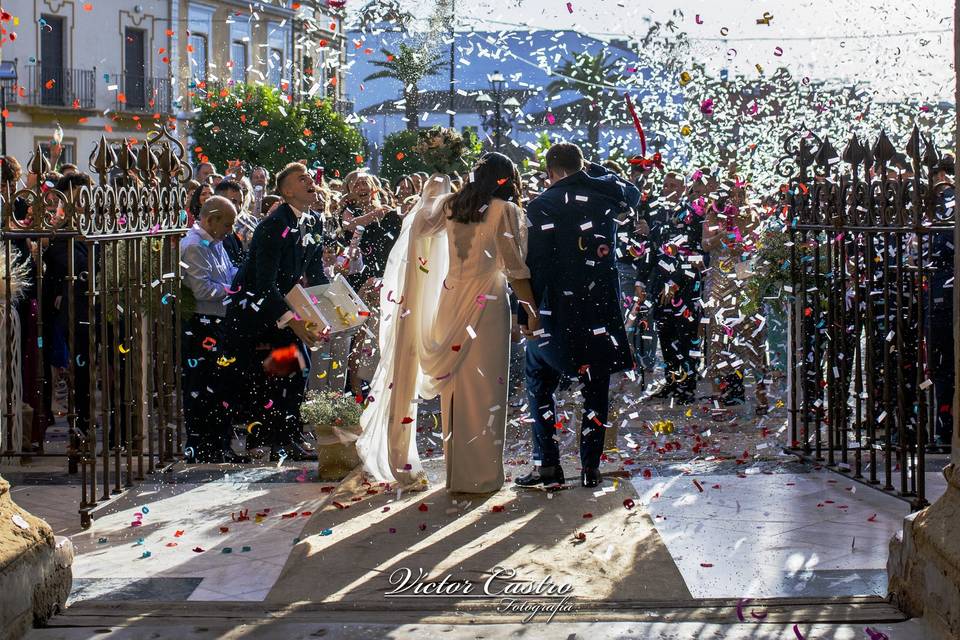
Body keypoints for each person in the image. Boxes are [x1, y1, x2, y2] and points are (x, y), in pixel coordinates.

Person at [356, 153, 537, 494]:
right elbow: (514, 269)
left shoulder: (450, 206)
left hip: (449, 299)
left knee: (456, 388)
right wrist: (534, 311)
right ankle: (479, 476)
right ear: (507, 178)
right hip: (487, 302)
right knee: (486, 390)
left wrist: (435, 184)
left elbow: (419, 228)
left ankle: (458, 473)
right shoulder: (505, 210)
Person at [514, 143, 640, 489]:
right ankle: (590, 467)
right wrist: (592, 169)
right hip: (599, 308)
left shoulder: (540, 206)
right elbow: (632, 192)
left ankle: (548, 467)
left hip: (555, 311)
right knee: (596, 388)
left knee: (539, 380)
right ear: (581, 165)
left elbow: (531, 265)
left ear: (550, 171)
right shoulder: (606, 199)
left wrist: (525, 313)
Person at [222, 162, 326, 461]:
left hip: (284, 305)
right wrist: (293, 322)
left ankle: (287, 437)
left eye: (310, 177)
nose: (309, 181)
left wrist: (331, 308)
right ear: (286, 190)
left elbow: (315, 272)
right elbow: (264, 283)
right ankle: (280, 441)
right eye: (301, 178)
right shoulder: (273, 224)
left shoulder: (315, 222)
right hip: (258, 313)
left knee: (295, 372)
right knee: (288, 371)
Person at [180, 195, 248, 463]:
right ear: (210, 219)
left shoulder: (215, 241)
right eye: (228, 224)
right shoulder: (195, 245)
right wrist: (234, 290)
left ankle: (219, 443)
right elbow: (202, 289)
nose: (230, 231)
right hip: (201, 323)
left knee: (221, 386)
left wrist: (239, 277)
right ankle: (203, 445)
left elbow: (228, 271)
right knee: (203, 387)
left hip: (218, 320)